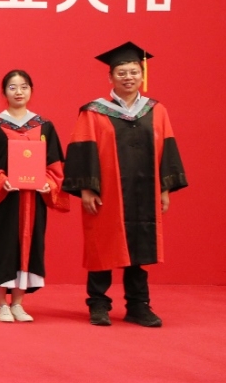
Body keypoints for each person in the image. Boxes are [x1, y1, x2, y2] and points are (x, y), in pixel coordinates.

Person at [64, 42, 187, 328]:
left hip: (144, 192)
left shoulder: (156, 110)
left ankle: (138, 305)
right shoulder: (94, 111)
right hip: (107, 192)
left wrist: (164, 190)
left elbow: (166, 150)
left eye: (133, 72)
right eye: (121, 72)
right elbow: (83, 149)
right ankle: (98, 304)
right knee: (102, 245)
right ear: (110, 77)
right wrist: (86, 188)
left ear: (142, 75)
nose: (128, 77)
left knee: (140, 247)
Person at [0, 70, 69, 323]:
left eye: (24, 87)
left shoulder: (44, 127)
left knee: (28, 246)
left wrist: (48, 183)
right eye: (12, 87)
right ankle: (1, 303)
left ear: (31, 90)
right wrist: (1, 180)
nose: (19, 92)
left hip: (31, 200)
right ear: (4, 93)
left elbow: (55, 164)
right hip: (0, 201)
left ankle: (18, 303)